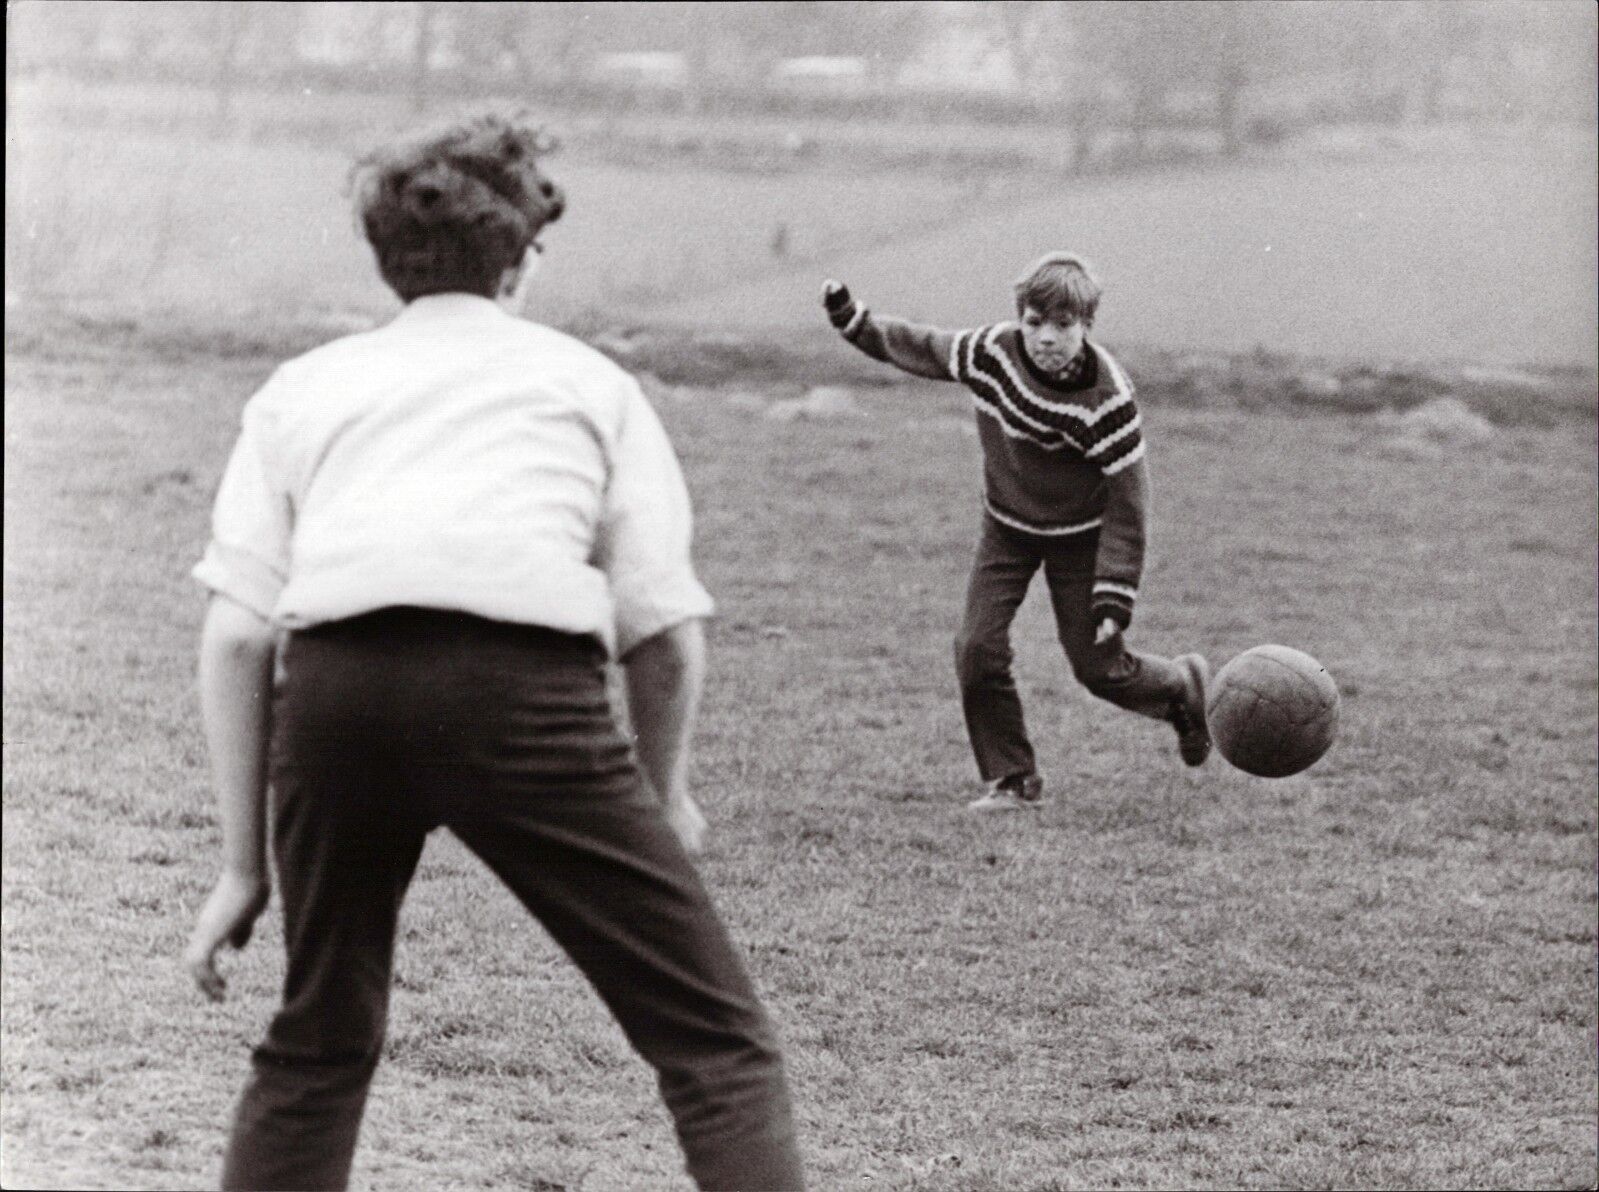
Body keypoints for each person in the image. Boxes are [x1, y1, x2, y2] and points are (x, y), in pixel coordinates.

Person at [183, 111, 804, 1191]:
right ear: (522, 253)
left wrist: (244, 868)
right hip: (521, 697)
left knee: (319, 1037)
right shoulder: (589, 383)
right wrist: (661, 798)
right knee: (717, 1044)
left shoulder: (303, 387)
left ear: (389, 259)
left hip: (335, 693)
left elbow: (238, 633)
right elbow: (664, 635)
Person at [822, 253, 1210, 812]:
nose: (1046, 338)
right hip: (1007, 527)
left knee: (1098, 670)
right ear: (1018, 320)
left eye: (1063, 325)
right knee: (976, 648)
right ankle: (1013, 780)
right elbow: (922, 347)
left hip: (1081, 536)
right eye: (1034, 323)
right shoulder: (991, 354)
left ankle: (1179, 688)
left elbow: (1130, 503)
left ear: (1086, 326)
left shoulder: (1108, 401)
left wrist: (1114, 594)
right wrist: (854, 321)